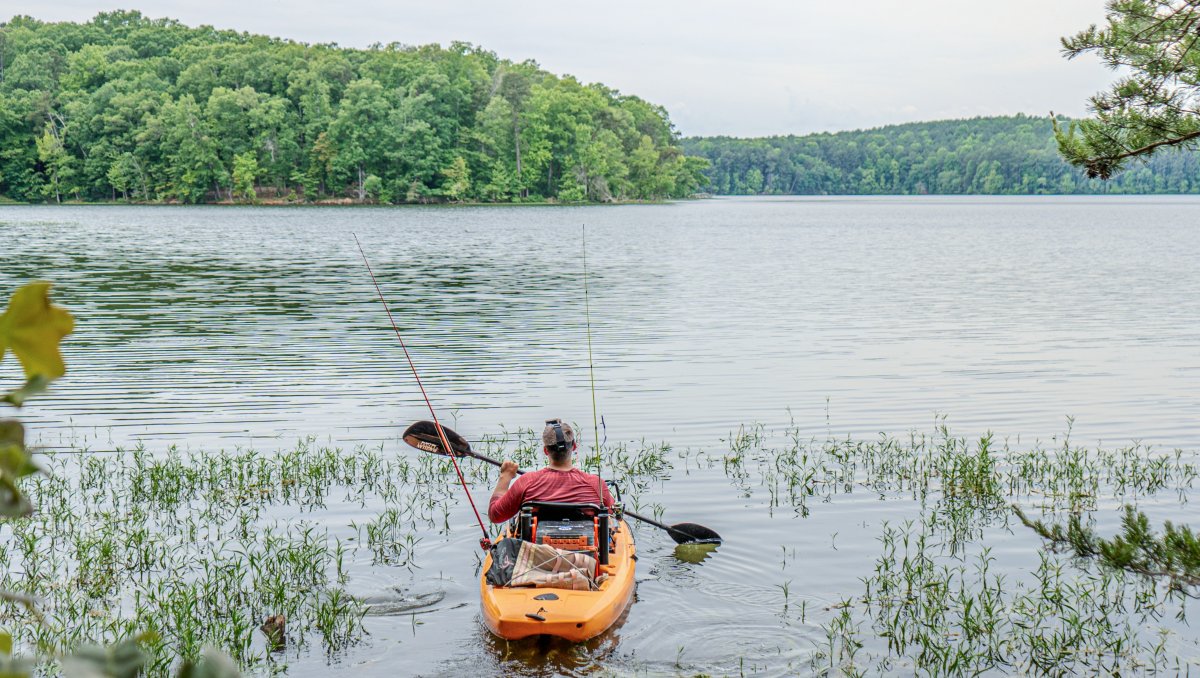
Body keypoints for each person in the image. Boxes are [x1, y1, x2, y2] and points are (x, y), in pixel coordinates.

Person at [488, 419, 615, 524]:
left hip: (536, 552)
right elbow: (611, 512)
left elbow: (495, 515)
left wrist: (505, 476)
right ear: (574, 446)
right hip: (585, 553)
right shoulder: (596, 484)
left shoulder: (526, 482)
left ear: (545, 450)